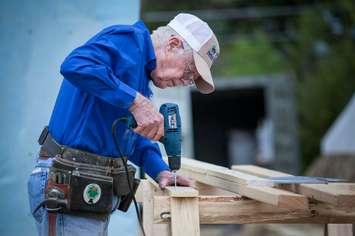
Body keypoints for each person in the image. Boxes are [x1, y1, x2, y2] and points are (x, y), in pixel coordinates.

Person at [27, 13, 220, 236]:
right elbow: (75, 64)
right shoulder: (129, 40)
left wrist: (160, 170)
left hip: (87, 186)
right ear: (173, 44)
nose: (185, 82)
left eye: (190, 80)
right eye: (189, 72)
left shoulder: (141, 80)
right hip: (67, 178)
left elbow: (133, 135)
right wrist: (135, 101)